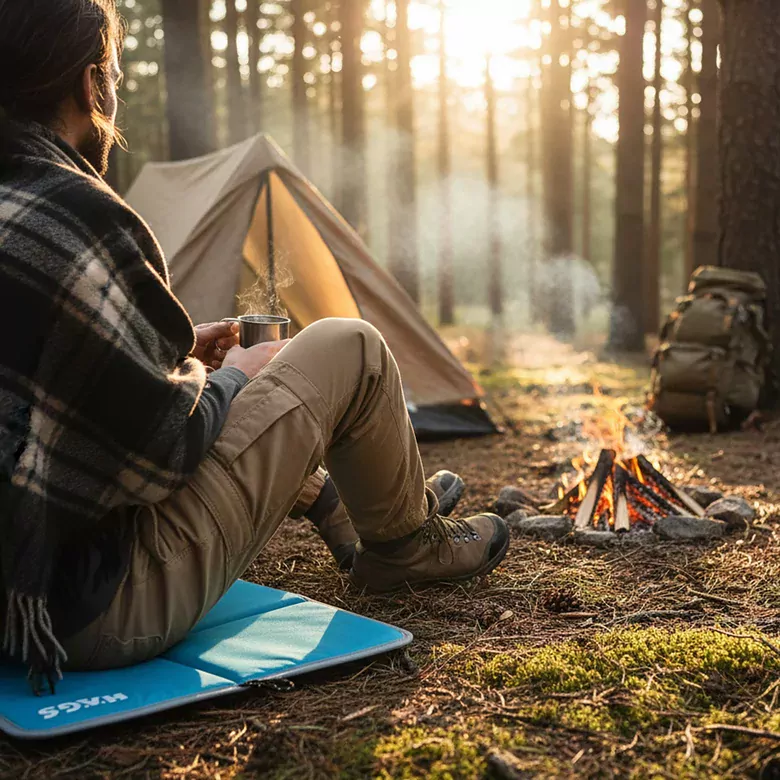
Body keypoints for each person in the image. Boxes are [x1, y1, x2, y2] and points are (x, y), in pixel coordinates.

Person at [0, 0, 509, 694]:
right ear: (91, 86)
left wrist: (175, 365)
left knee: (246, 386)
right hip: (87, 611)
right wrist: (228, 379)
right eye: (111, 76)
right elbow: (156, 454)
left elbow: (44, 412)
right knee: (346, 347)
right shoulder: (75, 213)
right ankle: (406, 548)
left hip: (19, 584)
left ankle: (361, 512)